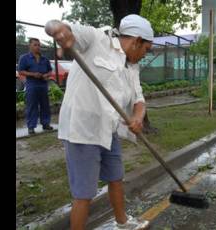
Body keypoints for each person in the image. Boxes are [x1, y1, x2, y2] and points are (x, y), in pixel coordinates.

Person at [45, 14, 153, 230]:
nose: (144, 55)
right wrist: (58, 30)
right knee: (84, 193)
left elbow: (139, 100)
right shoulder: (96, 40)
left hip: (107, 129)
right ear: (137, 41)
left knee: (116, 178)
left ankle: (123, 223)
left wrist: (138, 118)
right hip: (82, 130)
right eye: (146, 49)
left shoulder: (132, 68)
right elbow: (59, 27)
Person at [18, 38, 54, 134]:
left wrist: (47, 75)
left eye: (39, 45)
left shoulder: (45, 59)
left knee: (45, 105)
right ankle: (31, 127)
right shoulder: (24, 58)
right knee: (32, 106)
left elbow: (50, 70)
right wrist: (33, 74)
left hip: (43, 85)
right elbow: (20, 71)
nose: (38, 47)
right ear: (29, 46)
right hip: (32, 85)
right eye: (35, 45)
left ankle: (46, 124)